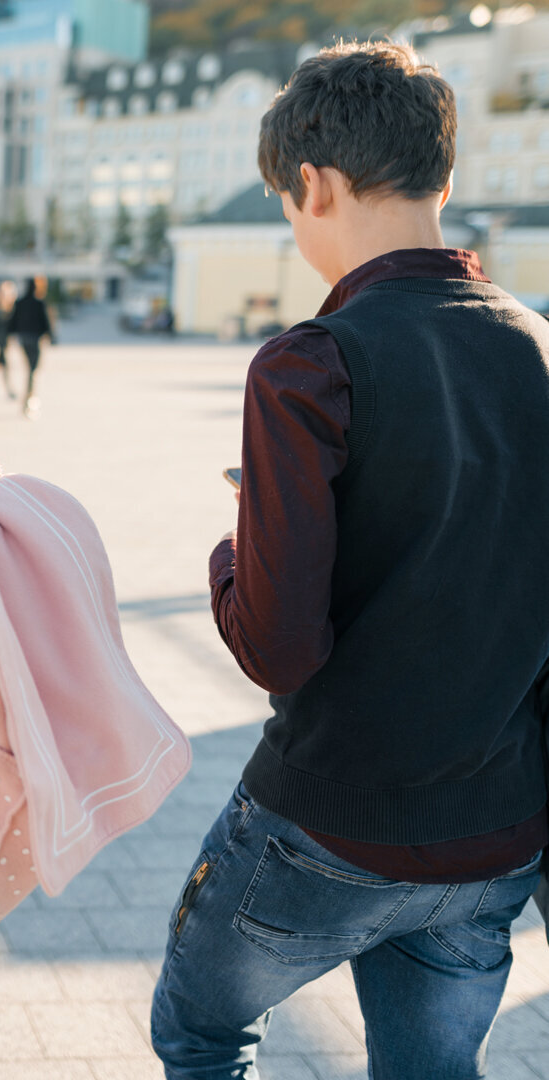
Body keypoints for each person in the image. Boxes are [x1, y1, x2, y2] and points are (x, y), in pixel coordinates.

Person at [150, 41, 549, 1080]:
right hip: (495, 830)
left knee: (201, 1033)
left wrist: (236, 548)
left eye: (288, 208)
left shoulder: (310, 363)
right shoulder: (540, 349)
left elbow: (277, 647)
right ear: (444, 178)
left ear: (312, 186)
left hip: (328, 826)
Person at [7, 277, 52, 418]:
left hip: (23, 339)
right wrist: (50, 335)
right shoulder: (39, 303)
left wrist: (10, 334)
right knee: (34, 369)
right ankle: (30, 398)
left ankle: (29, 397)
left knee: (30, 368)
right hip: (34, 339)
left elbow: (13, 320)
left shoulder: (20, 302)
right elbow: (45, 321)